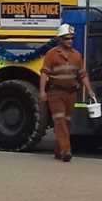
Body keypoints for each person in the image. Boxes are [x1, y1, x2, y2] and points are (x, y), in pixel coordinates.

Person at [39, 24, 97, 163]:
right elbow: (44, 73)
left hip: (71, 94)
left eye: (71, 38)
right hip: (55, 93)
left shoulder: (77, 56)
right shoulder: (52, 54)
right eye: (66, 38)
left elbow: (83, 75)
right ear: (60, 39)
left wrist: (90, 91)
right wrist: (42, 91)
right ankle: (66, 150)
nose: (70, 41)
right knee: (59, 121)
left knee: (66, 122)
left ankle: (59, 150)